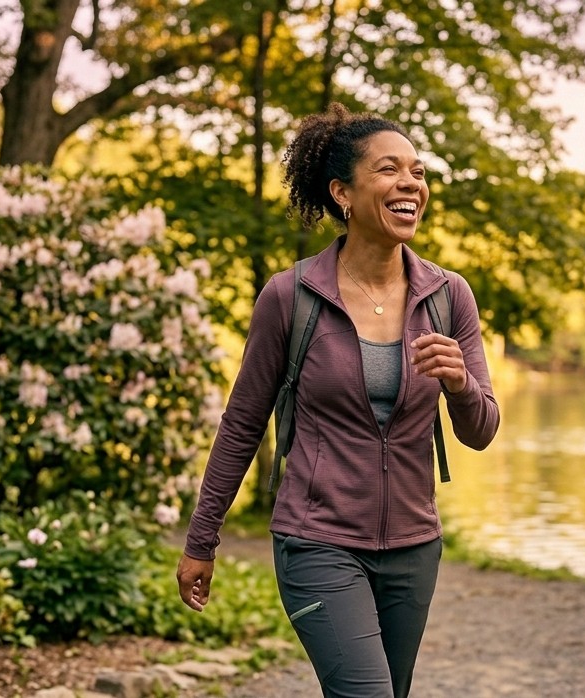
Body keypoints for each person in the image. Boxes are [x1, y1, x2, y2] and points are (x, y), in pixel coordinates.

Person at [176, 103, 501, 697]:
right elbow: (242, 423)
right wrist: (202, 538)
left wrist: (460, 385)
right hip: (316, 539)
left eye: (419, 172)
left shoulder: (448, 296)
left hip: (413, 547)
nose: (411, 184)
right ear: (342, 193)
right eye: (389, 170)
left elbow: (481, 430)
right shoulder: (291, 295)